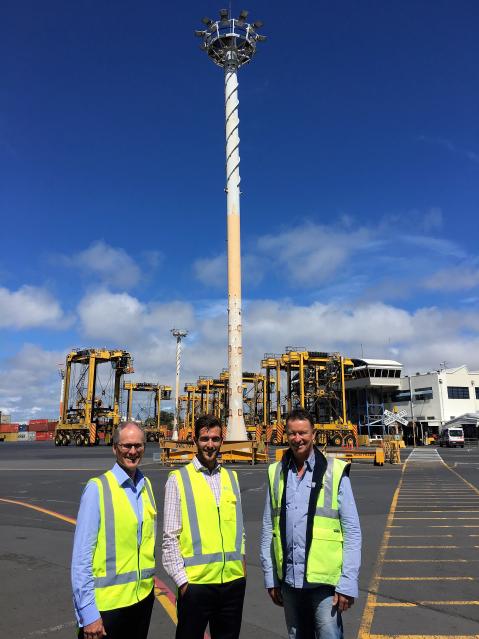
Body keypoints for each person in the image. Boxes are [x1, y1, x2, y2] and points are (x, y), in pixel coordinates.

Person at [260, 408, 361, 639]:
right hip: (289, 581)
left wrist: (348, 583)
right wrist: (270, 577)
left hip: (324, 584)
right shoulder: (276, 472)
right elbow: (268, 528)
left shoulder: (335, 472)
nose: (298, 439)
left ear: (314, 434)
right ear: (286, 435)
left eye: (303, 433)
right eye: (292, 434)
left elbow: (352, 531)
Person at [162, 414, 246, 639]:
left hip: (232, 584)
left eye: (215, 439)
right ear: (195, 441)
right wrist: (183, 583)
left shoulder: (232, 478)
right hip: (196, 586)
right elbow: (170, 537)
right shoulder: (178, 480)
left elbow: (239, 530)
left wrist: (242, 568)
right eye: (204, 439)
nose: (210, 444)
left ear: (222, 441)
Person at [71, 422, 156, 639]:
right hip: (107, 608)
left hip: (142, 600)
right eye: (126, 446)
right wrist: (88, 613)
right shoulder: (97, 488)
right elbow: (81, 558)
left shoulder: (147, 486)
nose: (133, 451)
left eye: (138, 445)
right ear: (115, 448)